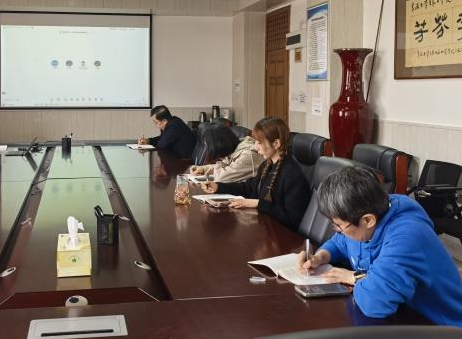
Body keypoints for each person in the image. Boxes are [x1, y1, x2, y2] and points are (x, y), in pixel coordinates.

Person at [298, 166, 462, 326]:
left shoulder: (407, 236)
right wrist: (319, 257)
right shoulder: (364, 211)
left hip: (440, 325)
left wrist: (354, 277)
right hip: (400, 314)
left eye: (339, 226)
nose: (337, 230)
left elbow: (374, 304)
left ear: (368, 220)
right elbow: (339, 242)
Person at [201, 116, 310, 231]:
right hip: (265, 228)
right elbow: (248, 188)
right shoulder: (267, 164)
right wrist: (218, 187)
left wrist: (258, 204)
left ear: (276, 143)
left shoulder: (292, 175)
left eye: (259, 142)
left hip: (280, 236)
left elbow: (292, 220)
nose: (255, 147)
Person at [191, 125, 263, 183]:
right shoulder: (234, 149)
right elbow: (225, 165)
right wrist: (203, 169)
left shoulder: (247, 155)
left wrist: (214, 168)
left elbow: (222, 178)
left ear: (218, 145)